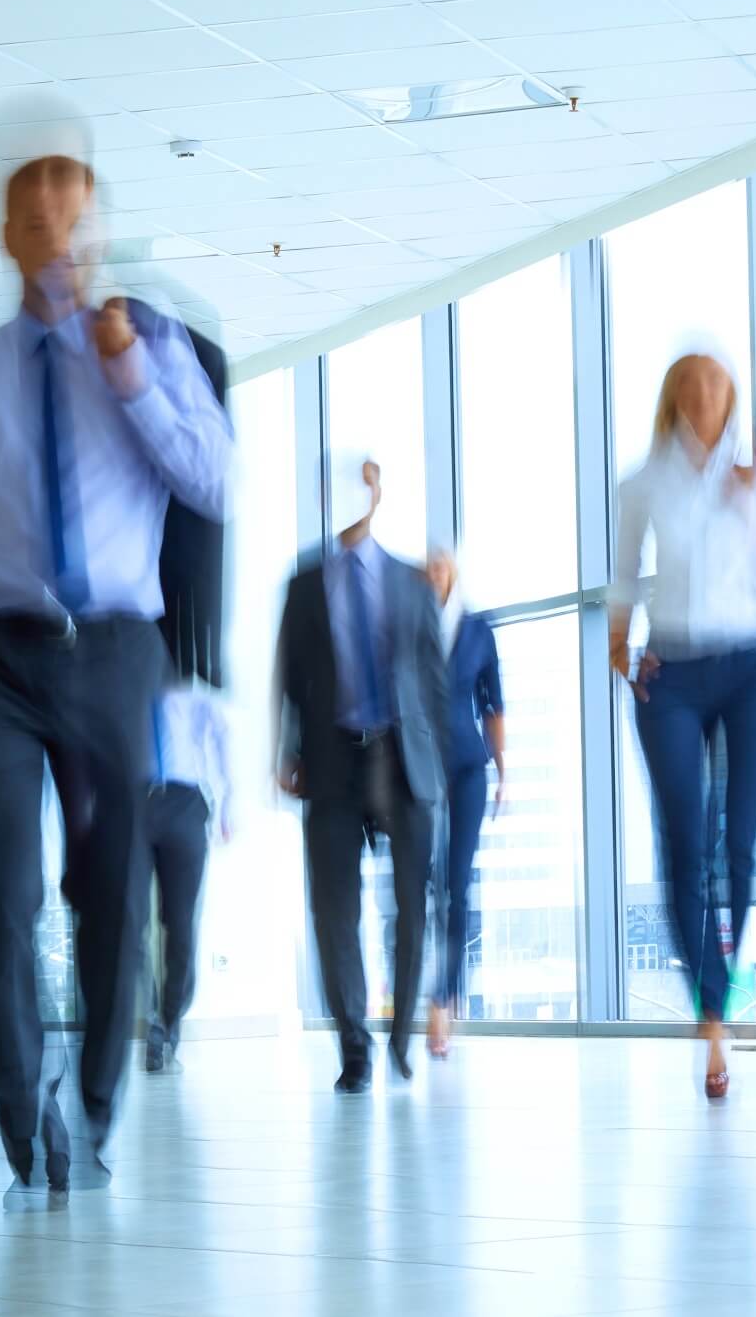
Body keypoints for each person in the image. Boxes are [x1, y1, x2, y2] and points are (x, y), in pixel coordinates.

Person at [0, 154, 230, 1206]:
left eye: (71, 219)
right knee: (7, 892)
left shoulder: (161, 348)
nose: (54, 239)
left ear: (97, 232)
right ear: (7, 238)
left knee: (111, 897)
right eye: (32, 221)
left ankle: (89, 1105)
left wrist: (130, 376)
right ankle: (16, 1114)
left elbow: (209, 478)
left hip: (113, 648)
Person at [610, 351, 756, 1100]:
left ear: (730, 398)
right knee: (684, 842)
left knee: (739, 840)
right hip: (674, 673)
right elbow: (624, 576)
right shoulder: (642, 484)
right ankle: (712, 1009)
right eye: (688, 384)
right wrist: (621, 651)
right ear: (671, 398)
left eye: (715, 384)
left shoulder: (754, 476)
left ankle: (717, 995)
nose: (702, 396)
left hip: (750, 667)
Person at [276, 452, 448, 1092]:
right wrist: (287, 751)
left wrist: (444, 768)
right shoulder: (302, 585)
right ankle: (355, 1047)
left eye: (362, 482)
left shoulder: (411, 583)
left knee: (409, 907)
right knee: (333, 910)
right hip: (332, 760)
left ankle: (400, 1037)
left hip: (404, 760)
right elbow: (289, 680)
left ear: (378, 491)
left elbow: (432, 681)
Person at [424, 548, 504, 1058]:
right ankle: (429, 988)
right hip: (418, 767)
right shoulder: (410, 625)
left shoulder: (478, 630)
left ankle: (444, 998)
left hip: (469, 770)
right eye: (426, 567)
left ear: (453, 571)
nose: (433, 573)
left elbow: (494, 703)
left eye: (440, 565)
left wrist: (505, 771)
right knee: (423, 883)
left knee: (456, 884)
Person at [141, 682, 232, 1075]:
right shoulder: (126, 681)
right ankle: (151, 1025)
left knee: (180, 926)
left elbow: (224, 737)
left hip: (185, 803)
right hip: (133, 800)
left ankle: (168, 1023)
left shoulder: (197, 694)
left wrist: (228, 801)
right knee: (130, 923)